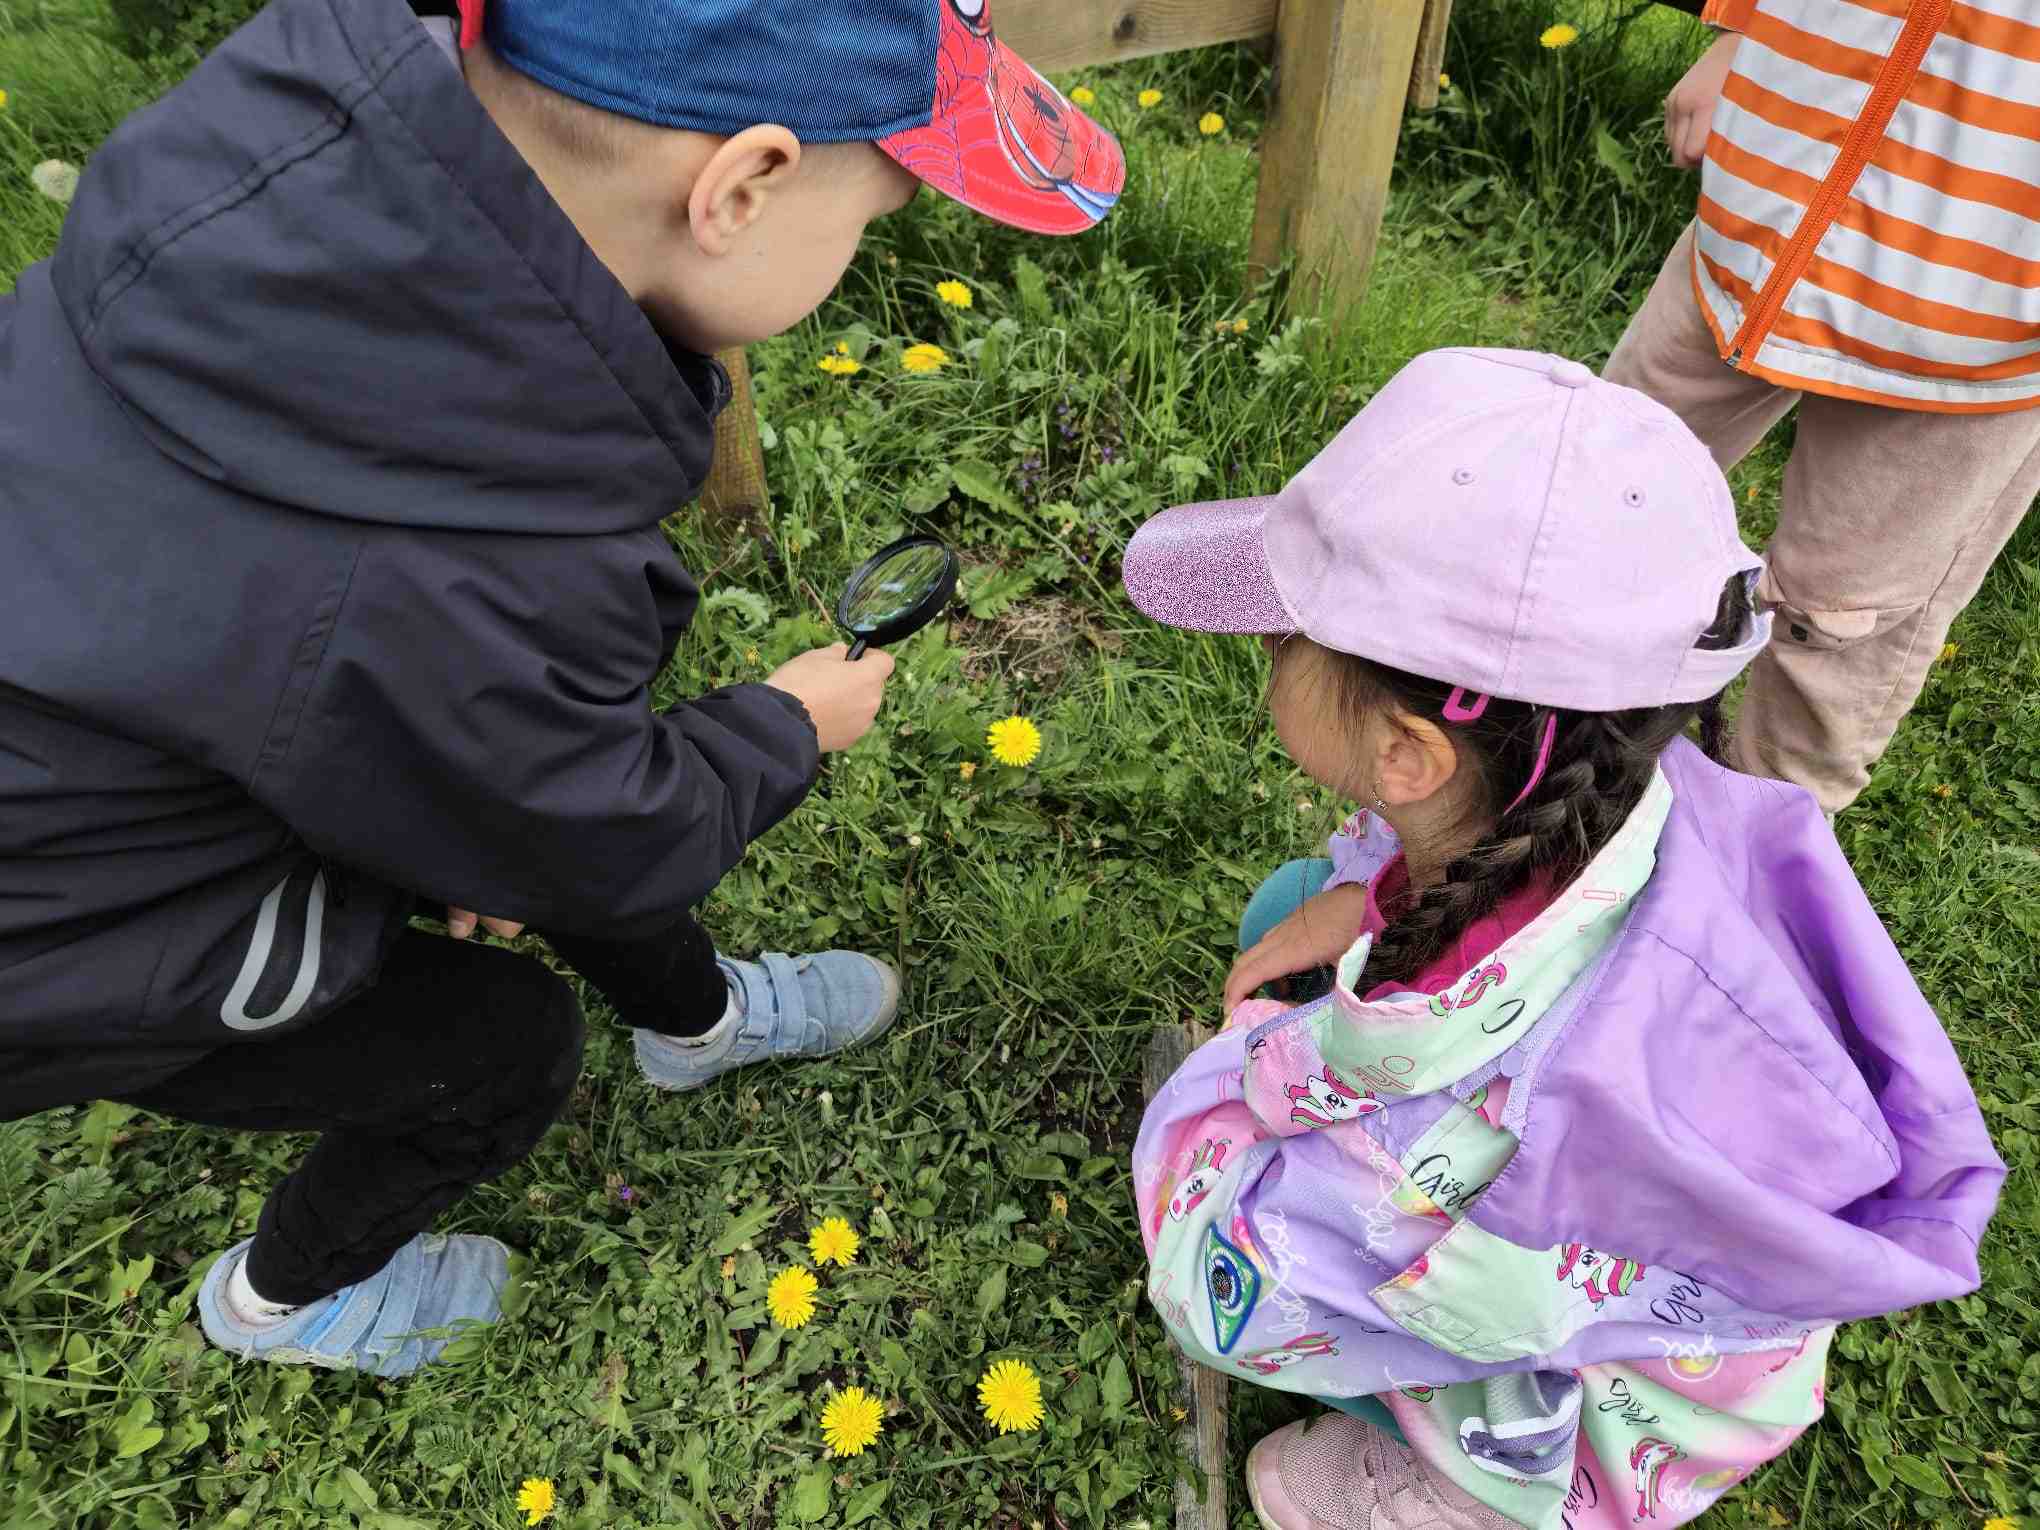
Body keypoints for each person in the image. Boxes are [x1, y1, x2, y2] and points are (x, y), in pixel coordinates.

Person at [0, 0, 1122, 1376]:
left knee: (529, 820)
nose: (860, 249)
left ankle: (695, 1022)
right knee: (502, 1045)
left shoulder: (271, 201)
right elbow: (610, 836)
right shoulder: (474, 572)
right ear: (743, 187)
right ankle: (288, 1299)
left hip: (132, 737)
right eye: (871, 219)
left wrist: (469, 812)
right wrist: (786, 726)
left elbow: (476, 744)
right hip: (66, 942)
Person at [1123, 348, 2002, 1528]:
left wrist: (1233, 1090)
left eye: (1288, 639)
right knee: (1293, 905)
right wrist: (1367, 894)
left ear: (1408, 754)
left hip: (1622, 1381)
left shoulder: (1474, 1117)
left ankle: (1468, 1493)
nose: (1270, 651)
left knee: (1345, 1296)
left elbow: (1240, 1292)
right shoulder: (1625, 789)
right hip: (1654, 1258)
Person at [1607, 0, 2040, 814]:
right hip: (1764, 200)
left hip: (1977, 321)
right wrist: (1740, 31)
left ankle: (1744, 856)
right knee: (1594, 488)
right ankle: (1517, 767)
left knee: (1834, 628)